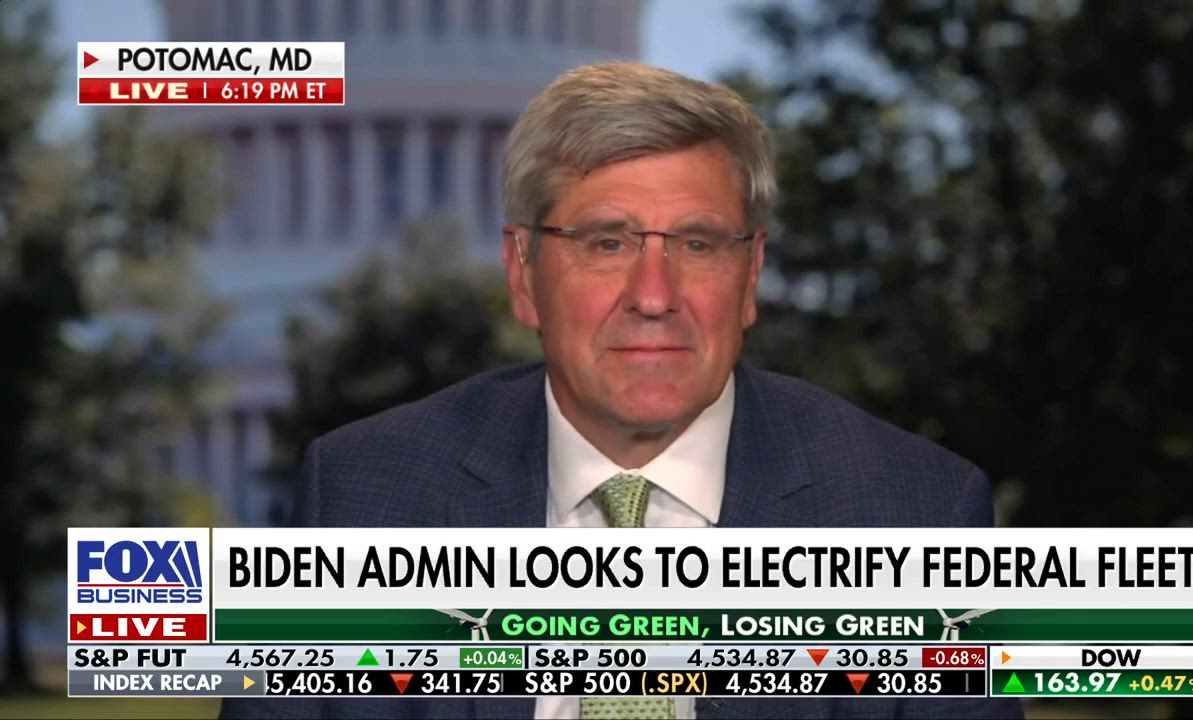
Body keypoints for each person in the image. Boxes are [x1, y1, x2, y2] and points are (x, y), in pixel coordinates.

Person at [221, 63, 1021, 720]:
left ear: (750, 275)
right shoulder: (361, 499)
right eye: (606, 243)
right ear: (523, 275)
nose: (653, 295)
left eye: (698, 245)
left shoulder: (916, 515)